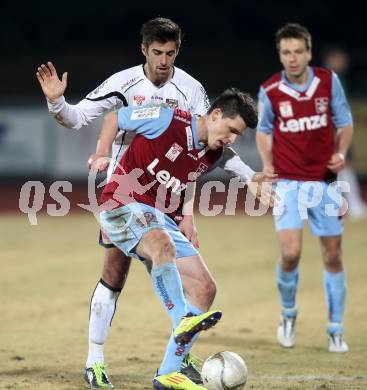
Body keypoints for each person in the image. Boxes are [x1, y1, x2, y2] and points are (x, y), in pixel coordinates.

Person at [36, 18, 269, 388]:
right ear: (144, 49)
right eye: (157, 52)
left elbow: (205, 153)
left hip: (166, 202)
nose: (164, 60)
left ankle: (171, 367)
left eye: (171, 53)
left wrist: (194, 212)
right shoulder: (126, 85)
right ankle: (96, 361)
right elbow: (83, 117)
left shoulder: (193, 93)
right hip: (124, 193)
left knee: (202, 286)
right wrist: (57, 104)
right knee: (114, 277)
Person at [98, 88, 274, 389]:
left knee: (205, 288)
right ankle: (183, 319)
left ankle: (168, 372)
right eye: (232, 130)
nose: (232, 138)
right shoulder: (165, 119)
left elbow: (234, 161)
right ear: (216, 115)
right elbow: (115, 117)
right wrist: (103, 152)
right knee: (162, 245)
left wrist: (252, 177)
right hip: (121, 203)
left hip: (157, 218)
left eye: (238, 135)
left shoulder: (215, 151)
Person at [256, 23, 353, 353]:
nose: (293, 58)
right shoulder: (270, 91)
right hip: (287, 182)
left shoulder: (328, 82)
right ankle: (288, 315)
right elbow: (263, 131)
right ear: (280, 55)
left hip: (324, 182)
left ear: (309, 53)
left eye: (298, 51)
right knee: (290, 252)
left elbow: (345, 122)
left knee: (333, 254)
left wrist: (340, 152)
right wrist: (267, 163)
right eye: (286, 52)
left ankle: (336, 328)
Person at [322, 46, 367, 220]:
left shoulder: (339, 79)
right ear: (330, 59)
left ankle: (345, 205)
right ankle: (352, 206)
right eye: (339, 57)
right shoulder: (329, 80)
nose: (344, 60)